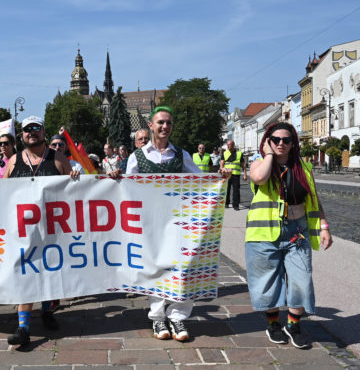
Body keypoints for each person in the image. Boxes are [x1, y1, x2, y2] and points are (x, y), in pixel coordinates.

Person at [117, 106, 231, 342]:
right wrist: (116, 179)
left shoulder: (181, 155)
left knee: (184, 267)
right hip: (150, 223)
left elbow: (201, 182)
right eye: (160, 122)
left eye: (168, 123)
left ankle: (178, 314)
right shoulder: (137, 157)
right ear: (151, 125)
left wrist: (220, 177)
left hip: (179, 222)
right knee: (156, 268)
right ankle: (158, 316)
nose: (164, 127)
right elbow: (126, 187)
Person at [246, 122, 332, 349]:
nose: (281, 143)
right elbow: (260, 179)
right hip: (264, 232)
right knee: (267, 281)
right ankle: (273, 324)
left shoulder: (303, 167)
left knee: (302, 279)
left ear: (294, 143)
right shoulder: (259, 164)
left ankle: (293, 325)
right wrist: (268, 155)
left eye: (286, 140)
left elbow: (314, 198)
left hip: (298, 231)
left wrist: (323, 225)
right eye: (275, 140)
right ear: (267, 141)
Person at [3, 116, 78, 346]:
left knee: (48, 274)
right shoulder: (14, 161)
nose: (31, 133)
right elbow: (1, 193)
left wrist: (75, 178)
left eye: (36, 128)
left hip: (52, 230)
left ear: (44, 132)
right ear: (22, 135)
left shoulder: (58, 159)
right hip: (22, 231)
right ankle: (23, 327)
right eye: (27, 129)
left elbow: (75, 193)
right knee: (26, 274)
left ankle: (46, 310)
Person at [220, 140, 247, 211]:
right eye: (228, 145)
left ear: (233, 145)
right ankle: (226, 203)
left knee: (236, 191)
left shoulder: (239, 153)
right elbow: (221, 165)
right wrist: (222, 170)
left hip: (236, 175)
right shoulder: (225, 153)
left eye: (230, 145)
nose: (228, 146)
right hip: (227, 174)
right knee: (227, 189)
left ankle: (236, 205)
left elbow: (243, 166)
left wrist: (245, 175)